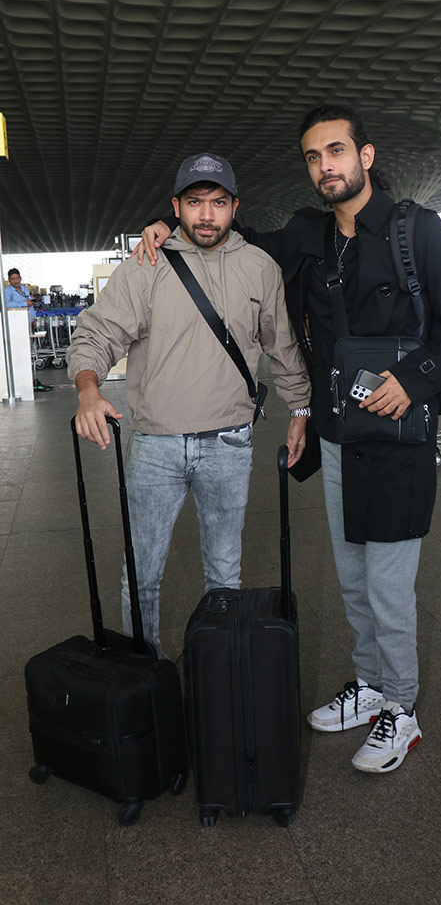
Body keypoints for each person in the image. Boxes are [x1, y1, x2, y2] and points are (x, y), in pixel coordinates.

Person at [138, 104, 441, 774]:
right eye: (313, 157)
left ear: (366, 156)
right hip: (337, 435)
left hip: (398, 436)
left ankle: (402, 710)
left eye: (337, 151)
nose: (326, 166)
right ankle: (371, 683)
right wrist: (168, 226)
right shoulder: (306, 236)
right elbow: (236, 239)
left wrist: (414, 380)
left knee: (388, 586)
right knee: (354, 581)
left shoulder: (418, 230)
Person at [68, 152, 311, 658]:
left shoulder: (259, 267)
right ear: (176, 206)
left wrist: (301, 410)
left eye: (218, 203)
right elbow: (96, 334)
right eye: (195, 202)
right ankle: (145, 679)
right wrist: (88, 389)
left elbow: (282, 347)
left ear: (234, 206)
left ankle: (218, 683)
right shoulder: (147, 265)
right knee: (142, 573)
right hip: (155, 444)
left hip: (229, 441)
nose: (206, 215)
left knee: (224, 574)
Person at [4, 268, 52, 392]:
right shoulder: (7, 291)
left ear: (20, 278)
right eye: (12, 279)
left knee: (31, 351)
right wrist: (24, 303)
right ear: (9, 280)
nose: (15, 281)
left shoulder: (24, 289)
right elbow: (7, 304)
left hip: (29, 323)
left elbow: (31, 302)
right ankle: (25, 382)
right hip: (17, 325)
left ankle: (33, 380)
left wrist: (34, 316)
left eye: (17, 278)